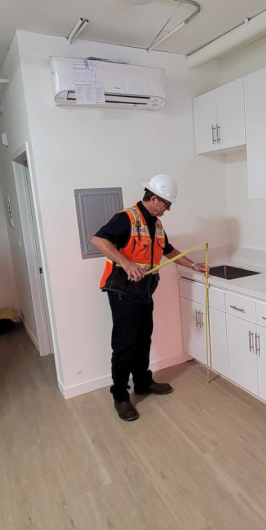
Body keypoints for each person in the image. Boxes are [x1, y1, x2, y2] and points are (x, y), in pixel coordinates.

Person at [91, 174, 208, 421]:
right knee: (125, 345)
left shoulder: (154, 223)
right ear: (153, 198)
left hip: (144, 291)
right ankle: (120, 396)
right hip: (123, 292)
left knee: (143, 339)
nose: (167, 210)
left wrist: (193, 265)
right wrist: (125, 262)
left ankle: (143, 382)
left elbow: (167, 249)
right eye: (166, 204)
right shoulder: (127, 218)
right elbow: (98, 239)